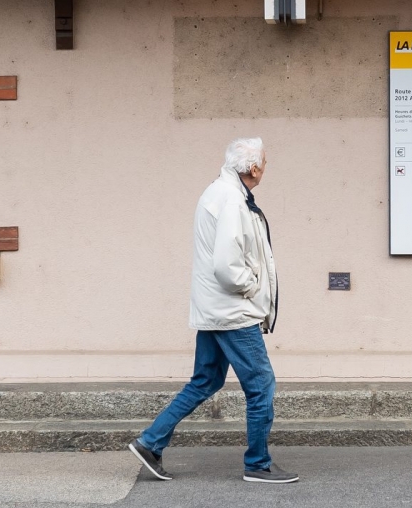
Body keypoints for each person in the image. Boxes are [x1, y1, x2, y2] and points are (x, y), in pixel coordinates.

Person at [127, 137, 299, 484]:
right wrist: (251, 287)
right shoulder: (233, 201)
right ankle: (258, 464)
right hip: (233, 311)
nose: (265, 167)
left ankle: (150, 442)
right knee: (261, 384)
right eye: (264, 162)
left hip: (215, 308)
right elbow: (227, 264)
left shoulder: (218, 192)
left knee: (205, 380)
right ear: (253, 168)